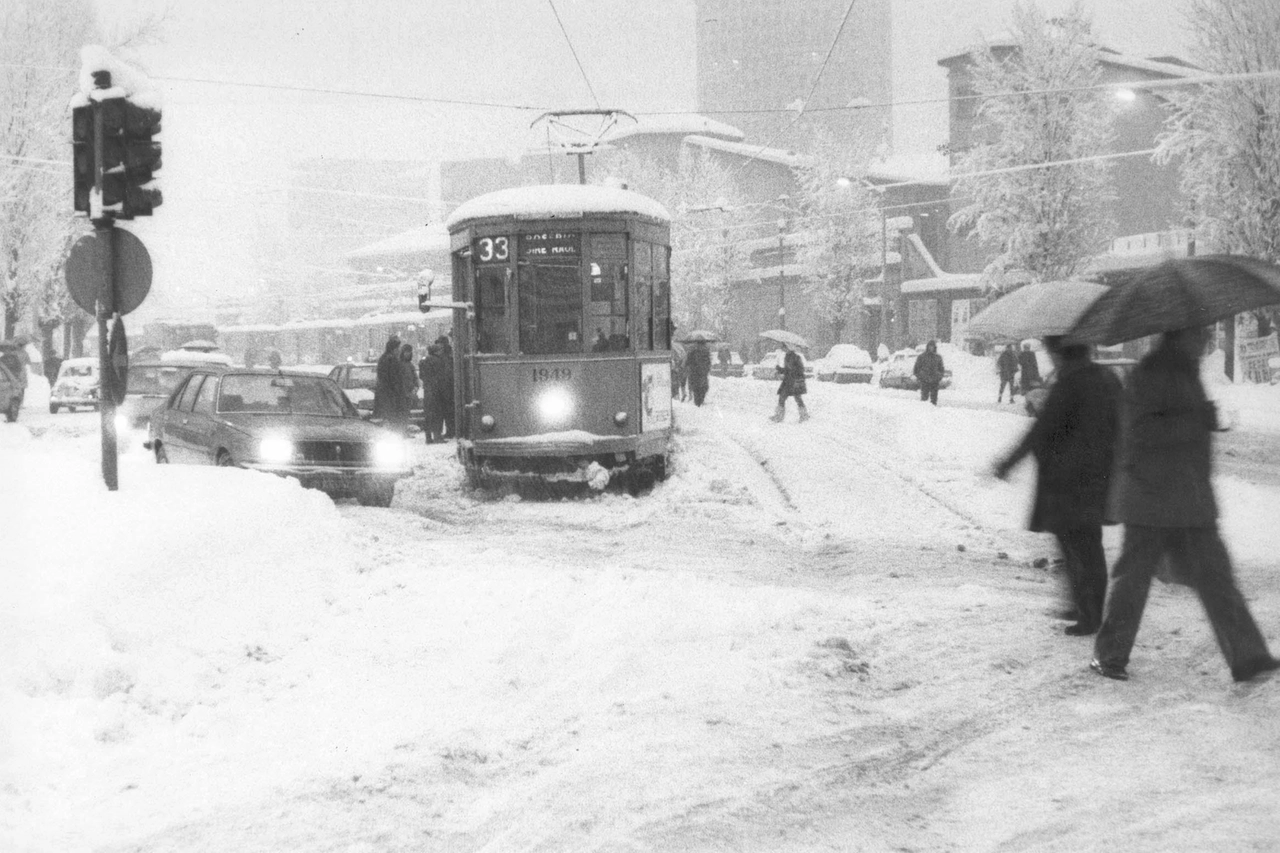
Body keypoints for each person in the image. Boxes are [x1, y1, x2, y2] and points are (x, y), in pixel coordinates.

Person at [1090, 325, 1279, 682]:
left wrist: (1200, 420)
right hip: (1150, 498)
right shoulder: (1149, 374)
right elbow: (1138, 435)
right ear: (1179, 337)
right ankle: (1109, 654)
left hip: (1188, 497)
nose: (1206, 341)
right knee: (1134, 580)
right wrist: (1195, 421)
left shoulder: (1184, 372)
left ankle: (1248, 656)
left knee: (1217, 577)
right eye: (1201, 335)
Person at [993, 337, 1122, 636]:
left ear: (1060, 354)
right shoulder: (1106, 379)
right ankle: (1086, 607)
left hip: (1067, 480)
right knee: (1088, 545)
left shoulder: (1069, 384)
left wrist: (1007, 463)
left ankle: (1088, 613)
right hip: (1098, 476)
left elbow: (1041, 431)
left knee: (1076, 545)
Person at [418, 343, 449, 443]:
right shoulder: (439, 361)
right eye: (441, 349)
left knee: (428, 414)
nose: (442, 351)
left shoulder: (424, 361)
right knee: (438, 414)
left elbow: (421, 376)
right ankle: (437, 436)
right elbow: (442, 376)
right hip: (438, 391)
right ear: (437, 351)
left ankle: (428, 437)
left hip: (428, 390)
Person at [771, 343, 809, 422]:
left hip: (795, 381)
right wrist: (779, 369)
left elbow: (800, 370)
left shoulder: (796, 357)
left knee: (797, 398)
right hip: (788, 381)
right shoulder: (787, 356)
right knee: (782, 397)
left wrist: (790, 371)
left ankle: (804, 416)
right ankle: (779, 416)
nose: (782, 349)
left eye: (784, 347)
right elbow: (787, 370)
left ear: (789, 347)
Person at [372, 336, 402, 423]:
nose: (399, 350)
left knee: (386, 418)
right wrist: (398, 390)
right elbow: (393, 378)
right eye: (398, 348)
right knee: (392, 418)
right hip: (391, 395)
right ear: (394, 349)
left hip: (384, 394)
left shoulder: (383, 358)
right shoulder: (391, 359)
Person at [913, 340, 945, 406]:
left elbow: (941, 369)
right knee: (924, 400)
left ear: (935, 347)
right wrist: (921, 377)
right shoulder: (921, 357)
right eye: (930, 346)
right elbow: (916, 369)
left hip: (935, 382)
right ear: (927, 347)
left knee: (934, 400)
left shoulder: (938, 358)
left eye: (932, 346)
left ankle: (933, 413)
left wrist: (939, 377)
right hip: (924, 381)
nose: (931, 348)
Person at [397, 343, 419, 434]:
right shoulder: (399, 364)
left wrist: (415, 388)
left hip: (409, 393)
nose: (408, 354)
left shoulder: (410, 365)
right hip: (401, 393)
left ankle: (404, 431)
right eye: (406, 352)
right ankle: (401, 432)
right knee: (401, 414)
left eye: (409, 352)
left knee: (406, 413)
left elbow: (415, 378)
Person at [685, 340, 712, 406]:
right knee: (703, 386)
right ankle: (701, 399)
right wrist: (707, 369)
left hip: (694, 372)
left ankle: (697, 401)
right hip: (703, 372)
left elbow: (687, 361)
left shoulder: (692, 351)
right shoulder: (706, 351)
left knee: (696, 387)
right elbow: (709, 362)